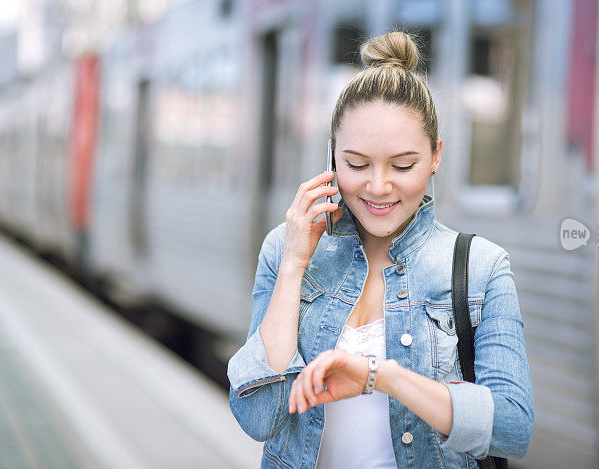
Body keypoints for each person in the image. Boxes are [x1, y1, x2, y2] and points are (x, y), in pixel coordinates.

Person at [228, 30, 533, 468]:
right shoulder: (285, 249)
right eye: (356, 164)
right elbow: (259, 418)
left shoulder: (481, 267)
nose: (377, 186)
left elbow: (513, 428)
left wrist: (382, 376)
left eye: (403, 165)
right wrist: (294, 265)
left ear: (436, 157)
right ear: (332, 157)